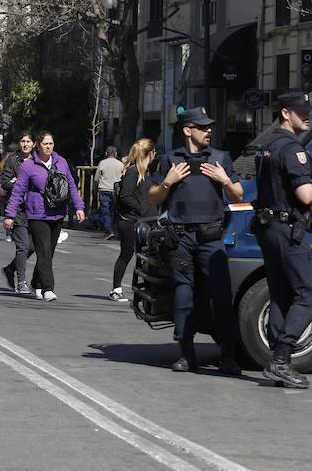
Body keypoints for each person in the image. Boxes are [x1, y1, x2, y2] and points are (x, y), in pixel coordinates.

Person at [148, 107, 243, 375]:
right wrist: (168, 182)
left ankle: (228, 356)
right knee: (183, 293)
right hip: (181, 237)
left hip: (211, 237)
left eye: (209, 126)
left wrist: (225, 180)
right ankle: (186, 354)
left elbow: (237, 195)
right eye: (202, 127)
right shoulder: (170, 159)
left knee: (222, 296)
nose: (209, 130)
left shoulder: (220, 158)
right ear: (187, 130)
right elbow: (153, 197)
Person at [253, 92, 312, 389]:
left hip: (269, 228)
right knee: (308, 295)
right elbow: (305, 195)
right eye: (300, 112)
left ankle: (277, 363)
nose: (307, 116)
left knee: (282, 294)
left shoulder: (265, 146)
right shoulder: (293, 149)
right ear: (285, 113)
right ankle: (281, 359)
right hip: (286, 228)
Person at [4, 131, 85, 302]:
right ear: (37, 145)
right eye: (45, 144)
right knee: (43, 252)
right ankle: (48, 288)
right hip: (37, 214)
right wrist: (10, 215)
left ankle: (36, 283)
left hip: (57, 213)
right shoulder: (28, 166)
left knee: (49, 253)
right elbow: (18, 191)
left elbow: (71, 185)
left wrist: (79, 207)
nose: (48, 147)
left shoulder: (60, 162)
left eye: (51, 144)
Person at [110, 138, 157, 302]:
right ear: (149, 153)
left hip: (143, 221)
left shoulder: (147, 172)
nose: (155, 155)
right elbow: (125, 196)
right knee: (126, 254)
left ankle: (146, 289)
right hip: (130, 221)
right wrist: (141, 208)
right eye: (154, 152)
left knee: (146, 256)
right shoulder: (133, 172)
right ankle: (116, 289)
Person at [0, 132, 35, 293]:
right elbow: (4, 181)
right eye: (22, 141)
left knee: (33, 247)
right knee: (23, 246)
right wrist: (18, 186)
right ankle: (22, 282)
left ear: (34, 144)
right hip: (18, 209)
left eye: (28, 141)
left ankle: (9, 269)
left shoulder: (38, 160)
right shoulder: (13, 160)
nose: (25, 144)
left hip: (35, 209)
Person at [95, 146, 124, 239]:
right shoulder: (120, 164)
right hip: (116, 191)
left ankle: (109, 230)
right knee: (114, 211)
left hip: (104, 189)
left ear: (106, 154)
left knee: (105, 211)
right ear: (115, 154)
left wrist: (94, 189)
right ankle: (114, 230)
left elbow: (96, 178)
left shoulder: (102, 163)